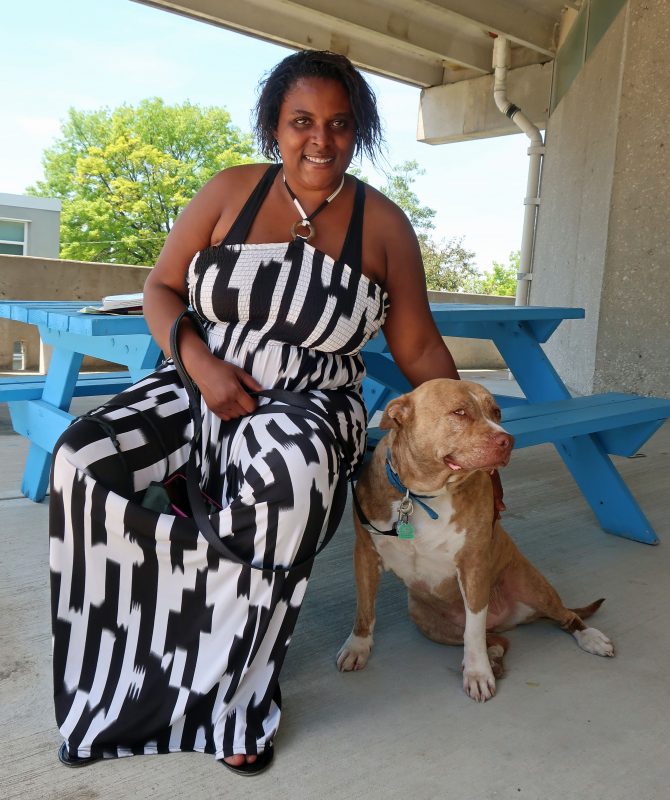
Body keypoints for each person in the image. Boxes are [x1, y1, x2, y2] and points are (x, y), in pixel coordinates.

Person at [49, 49, 480, 776]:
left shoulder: (384, 226)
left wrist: (473, 425)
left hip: (311, 402)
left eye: (339, 124)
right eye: (301, 122)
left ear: (359, 131)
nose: (321, 139)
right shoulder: (229, 193)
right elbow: (161, 289)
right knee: (81, 462)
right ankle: (121, 682)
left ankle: (235, 701)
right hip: (195, 383)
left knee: (287, 485)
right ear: (273, 127)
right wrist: (202, 365)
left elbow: (418, 344)